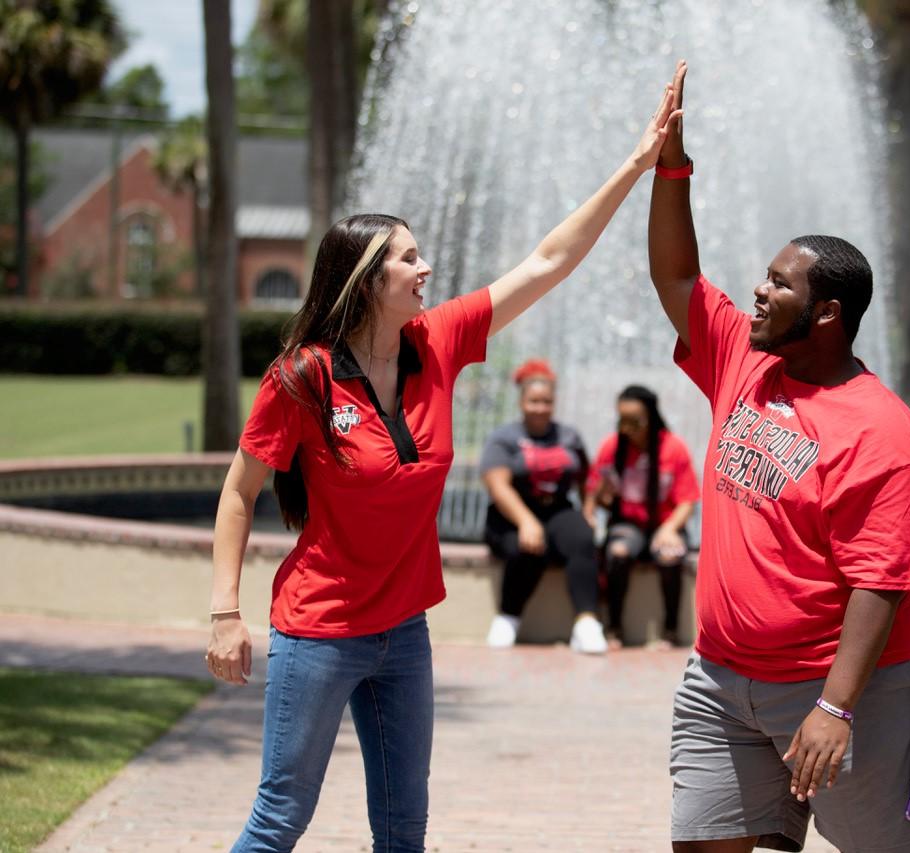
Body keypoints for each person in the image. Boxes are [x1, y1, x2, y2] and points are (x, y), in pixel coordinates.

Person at [203, 77, 682, 851]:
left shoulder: (440, 340)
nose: (426, 271)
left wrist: (635, 164)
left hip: (404, 629)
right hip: (319, 628)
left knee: (404, 830)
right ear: (366, 281)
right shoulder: (302, 376)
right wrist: (225, 613)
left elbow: (549, 259)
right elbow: (237, 494)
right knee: (279, 819)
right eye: (408, 260)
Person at [649, 62, 910, 852]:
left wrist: (836, 707)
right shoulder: (743, 359)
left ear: (825, 313)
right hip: (722, 677)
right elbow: (676, 273)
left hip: (857, 686)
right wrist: (670, 165)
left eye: (778, 285)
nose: (757, 292)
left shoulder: (881, 434)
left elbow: (881, 581)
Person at [479, 359, 606, 654]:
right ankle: (508, 616)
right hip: (510, 514)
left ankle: (587, 622)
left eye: (546, 401)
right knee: (528, 546)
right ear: (522, 401)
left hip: (557, 509)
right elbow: (498, 485)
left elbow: (587, 479)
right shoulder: (504, 437)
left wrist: (588, 511)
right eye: (534, 401)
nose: (540, 407)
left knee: (582, 538)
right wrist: (526, 521)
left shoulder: (568, 436)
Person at [582, 384, 698, 647]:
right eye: (622, 420)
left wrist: (669, 529)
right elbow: (592, 497)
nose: (627, 427)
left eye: (635, 420)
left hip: (666, 522)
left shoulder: (673, 447)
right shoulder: (612, 447)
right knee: (618, 552)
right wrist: (597, 502)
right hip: (628, 524)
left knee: (670, 556)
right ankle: (613, 627)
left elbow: (688, 501)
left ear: (651, 416)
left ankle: (669, 629)